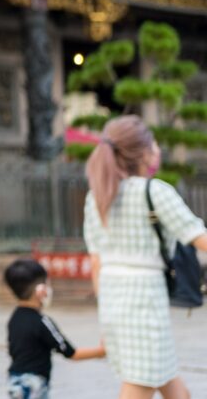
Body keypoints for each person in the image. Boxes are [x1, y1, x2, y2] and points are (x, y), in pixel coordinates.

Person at [83, 115, 207, 399]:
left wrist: (105, 317)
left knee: (170, 384)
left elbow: (96, 262)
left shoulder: (97, 197)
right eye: (155, 143)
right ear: (145, 151)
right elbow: (200, 239)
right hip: (144, 302)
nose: (159, 150)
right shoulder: (155, 191)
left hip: (113, 300)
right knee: (140, 383)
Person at [4, 258, 105, 398]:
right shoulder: (43, 322)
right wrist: (101, 351)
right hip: (34, 384)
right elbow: (70, 353)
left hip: (14, 380)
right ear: (40, 291)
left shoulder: (14, 318)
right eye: (46, 284)